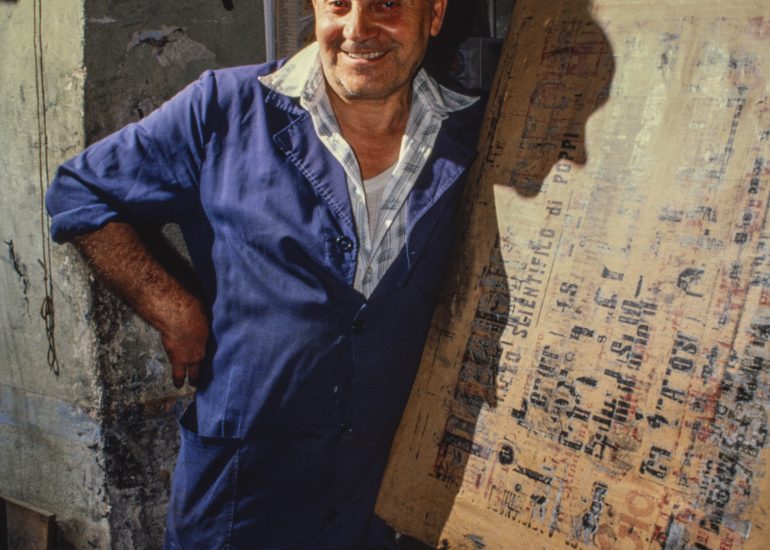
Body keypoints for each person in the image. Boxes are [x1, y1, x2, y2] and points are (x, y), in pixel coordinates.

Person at [46, 0, 485, 547]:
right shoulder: (224, 108)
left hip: (381, 502)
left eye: (387, 3)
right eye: (338, 4)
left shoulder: (474, 135)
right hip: (242, 499)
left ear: (435, 14)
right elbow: (80, 192)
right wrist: (172, 307)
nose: (357, 29)